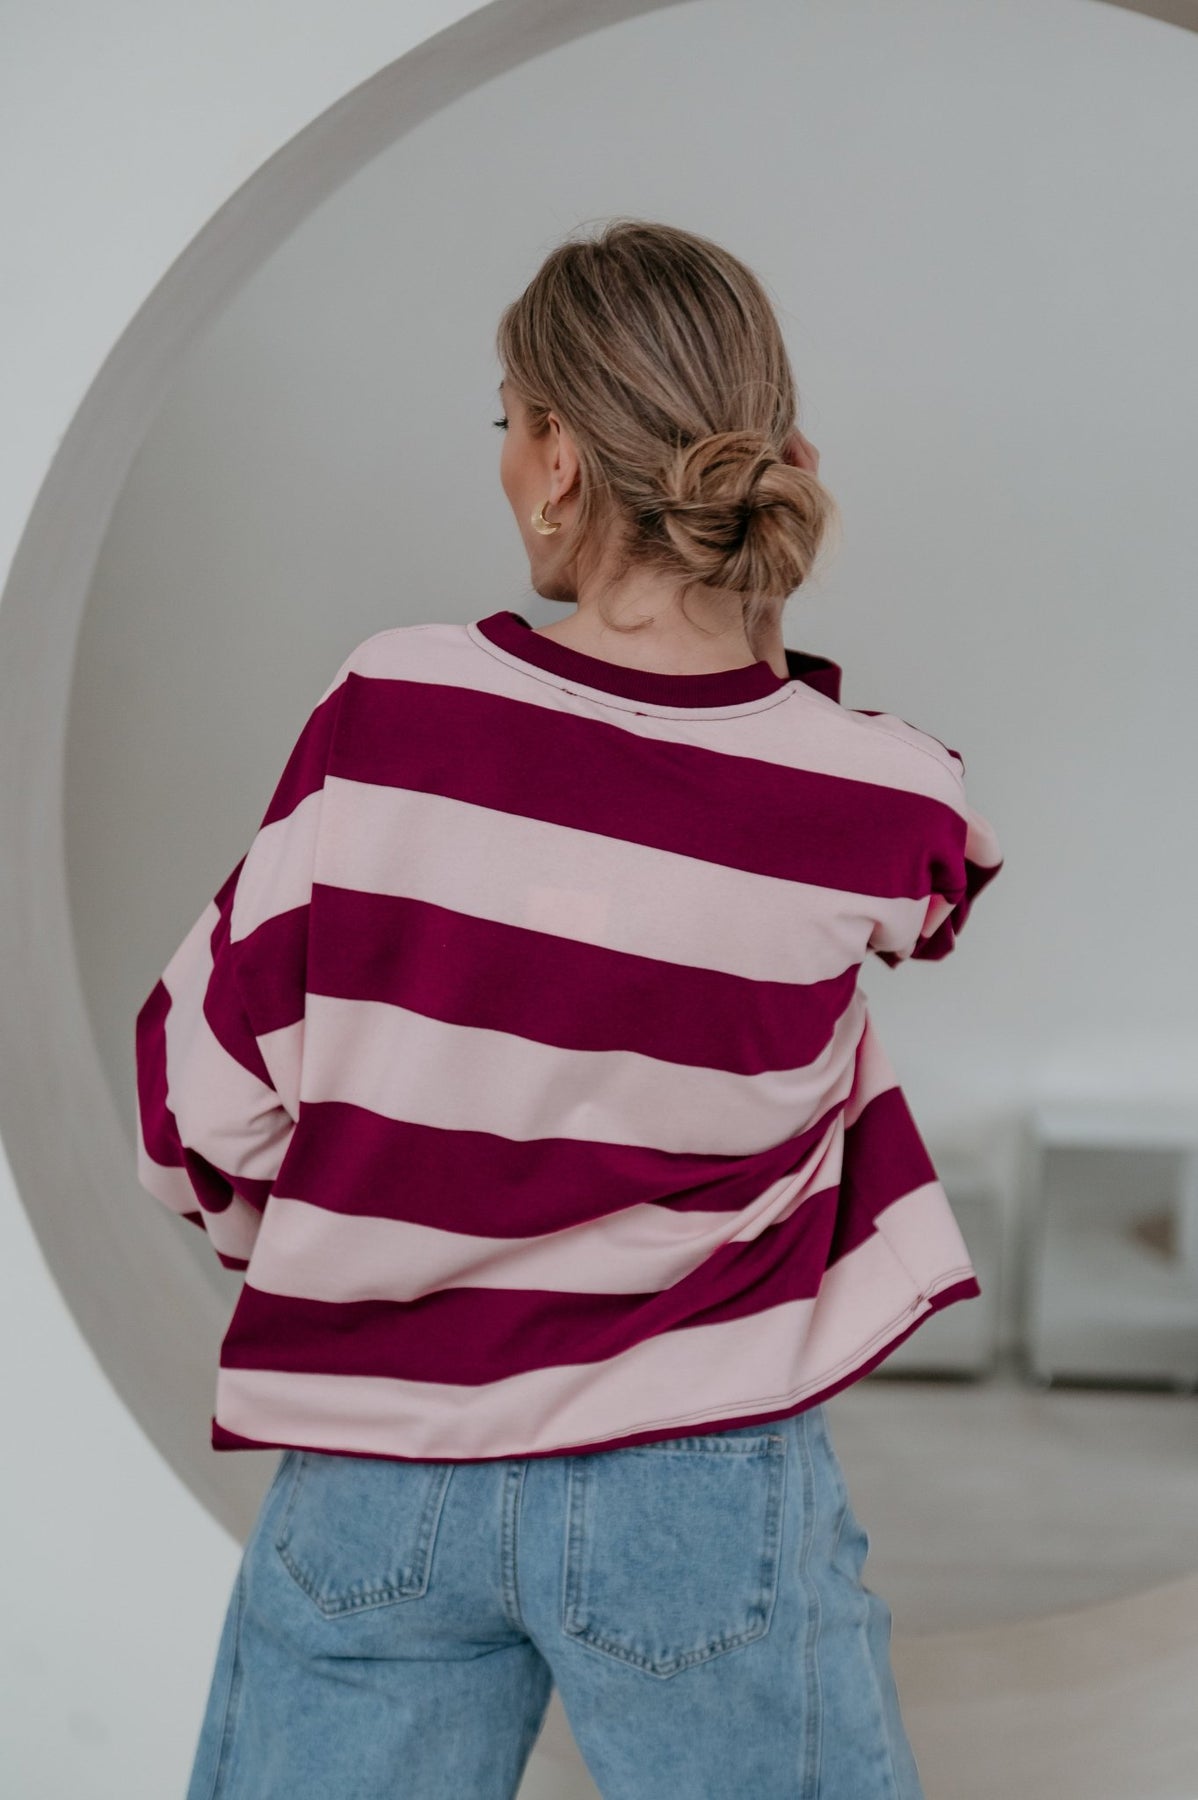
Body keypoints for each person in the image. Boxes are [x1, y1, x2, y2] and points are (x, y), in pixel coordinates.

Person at [135, 218, 1003, 1799]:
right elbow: (922, 896)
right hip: (697, 1474)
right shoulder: (883, 794)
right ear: (772, 463)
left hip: (375, 1463)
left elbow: (200, 1090)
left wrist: (361, 1255)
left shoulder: (391, 710)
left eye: (505, 420)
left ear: (553, 460)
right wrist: (748, 641)